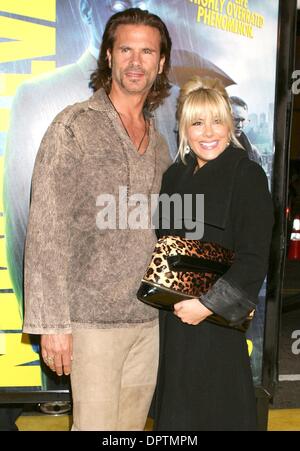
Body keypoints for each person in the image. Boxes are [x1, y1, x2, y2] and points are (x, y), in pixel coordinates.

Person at [23, 8, 172, 431]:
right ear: (108, 55)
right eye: (126, 49)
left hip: (147, 320)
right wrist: (52, 324)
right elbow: (47, 228)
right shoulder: (74, 126)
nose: (136, 61)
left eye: (147, 51)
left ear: (160, 63)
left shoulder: (159, 140)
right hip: (91, 323)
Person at [153, 76, 274, 431]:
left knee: (216, 413)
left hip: (216, 323)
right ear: (184, 129)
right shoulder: (175, 176)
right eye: (197, 122)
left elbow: (253, 257)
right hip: (172, 321)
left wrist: (206, 305)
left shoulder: (246, 174)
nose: (209, 132)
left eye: (217, 121)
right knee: (176, 415)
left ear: (230, 125)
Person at [230, 95, 262, 165]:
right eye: (236, 120)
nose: (240, 125)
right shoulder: (212, 149)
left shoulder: (254, 153)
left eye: (243, 120)